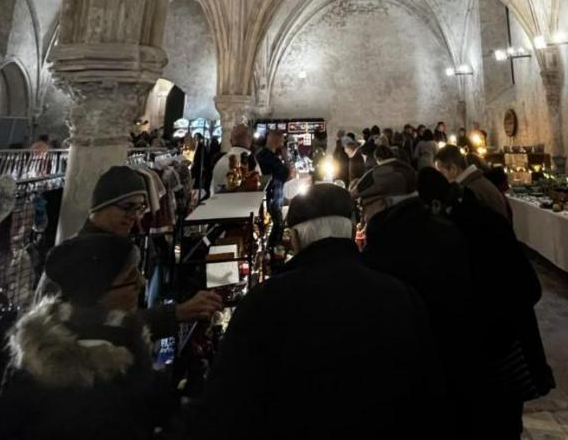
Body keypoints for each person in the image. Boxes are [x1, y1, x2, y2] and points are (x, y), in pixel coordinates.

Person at [181, 183, 441, 439]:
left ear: (293, 239)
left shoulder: (263, 304)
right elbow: (427, 395)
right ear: (352, 231)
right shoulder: (400, 296)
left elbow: (227, 406)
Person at [417, 168, 554, 437]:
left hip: (497, 348)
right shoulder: (478, 218)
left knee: (495, 420)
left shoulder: (463, 230)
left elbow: (525, 287)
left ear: (435, 204)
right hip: (499, 343)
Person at [0, 233, 172, 440]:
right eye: (130, 278)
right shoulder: (100, 381)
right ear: (96, 291)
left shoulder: (37, 349)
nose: (142, 283)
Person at [356, 160, 476, 436]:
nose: (363, 216)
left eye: (367, 206)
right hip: (454, 368)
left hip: (427, 373)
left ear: (385, 204)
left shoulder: (391, 243)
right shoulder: (438, 227)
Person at [36, 166, 222, 340]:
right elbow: (94, 328)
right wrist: (176, 313)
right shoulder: (80, 257)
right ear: (100, 206)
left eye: (140, 208)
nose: (134, 215)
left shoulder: (114, 246)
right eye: (127, 207)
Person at [434, 144, 510, 222]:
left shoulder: (470, 190)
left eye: (441, 172)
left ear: (453, 169)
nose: (439, 177)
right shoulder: (476, 181)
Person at [255, 130, 291, 250]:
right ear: (276, 140)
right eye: (282, 139)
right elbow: (286, 174)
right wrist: (286, 157)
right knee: (274, 232)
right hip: (271, 203)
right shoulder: (268, 157)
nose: (283, 142)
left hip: (270, 201)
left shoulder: (262, 155)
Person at [209, 124, 252, 195]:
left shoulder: (220, 162)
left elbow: (213, 188)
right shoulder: (251, 162)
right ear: (250, 140)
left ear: (231, 141)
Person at [189, 133, 210, 202]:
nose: (195, 139)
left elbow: (204, 157)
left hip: (199, 167)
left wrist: (203, 166)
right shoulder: (196, 146)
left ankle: (197, 197)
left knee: (197, 182)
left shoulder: (202, 147)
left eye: (196, 137)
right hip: (196, 167)